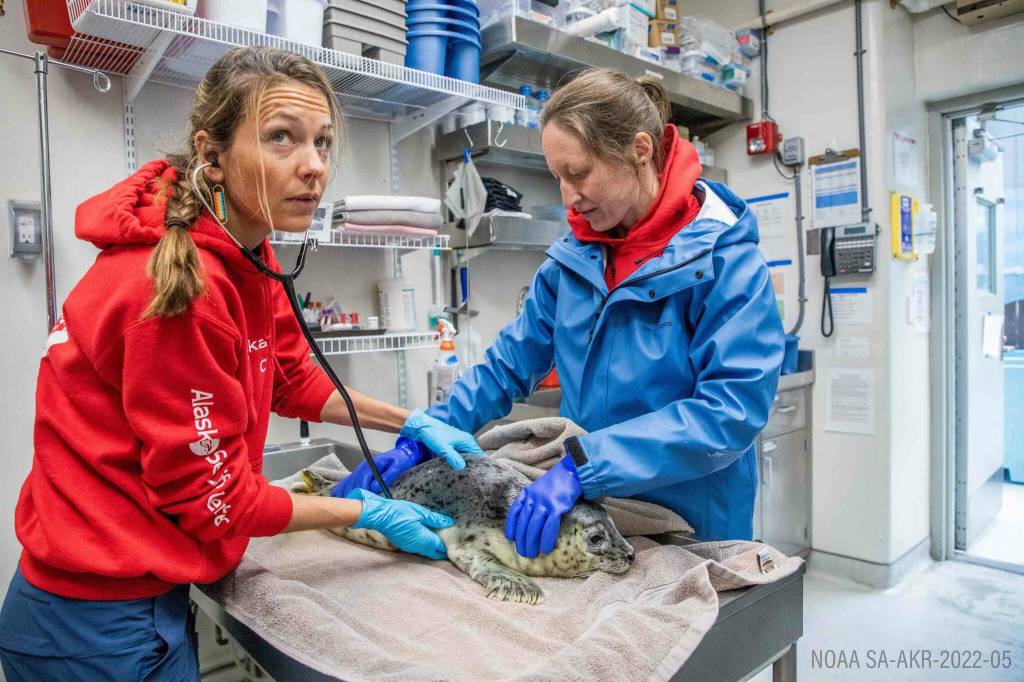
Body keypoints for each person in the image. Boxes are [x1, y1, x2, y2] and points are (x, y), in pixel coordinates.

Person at [0, 47, 482, 681]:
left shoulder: (248, 254)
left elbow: (290, 376)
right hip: (96, 623)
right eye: (281, 138)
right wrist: (365, 513)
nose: (313, 166)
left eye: (323, 142)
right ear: (213, 153)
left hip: (128, 599)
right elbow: (217, 504)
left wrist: (410, 420)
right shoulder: (179, 291)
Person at [342, 68, 785, 558]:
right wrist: (427, 435)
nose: (567, 197)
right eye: (557, 177)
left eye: (578, 174)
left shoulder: (724, 263)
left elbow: (729, 413)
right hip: (592, 512)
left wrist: (584, 465)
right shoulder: (574, 263)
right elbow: (505, 367)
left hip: (694, 526)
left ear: (640, 151)